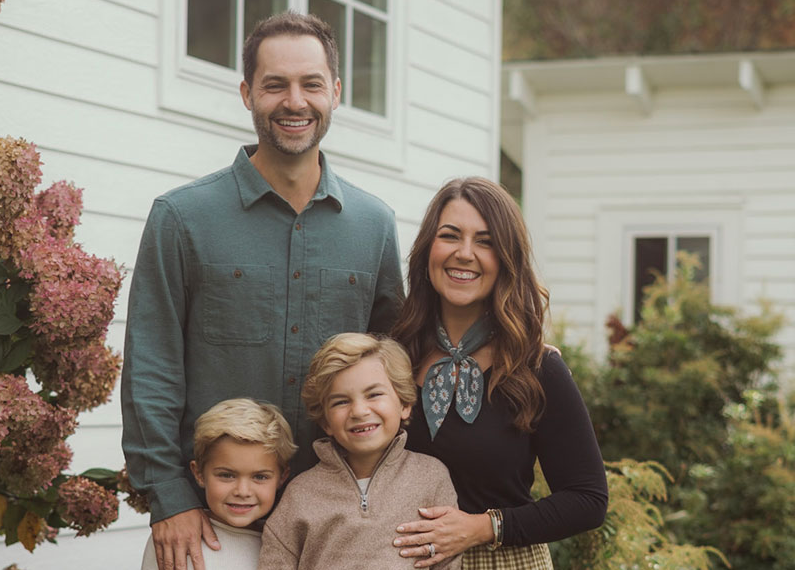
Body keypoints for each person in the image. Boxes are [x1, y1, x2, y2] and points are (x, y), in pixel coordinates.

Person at [121, 11, 404, 570]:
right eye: (275, 84)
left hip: (336, 528)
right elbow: (151, 367)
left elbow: (398, 365)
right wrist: (169, 496)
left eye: (311, 84)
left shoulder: (375, 226)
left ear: (336, 92)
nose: (294, 101)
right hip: (210, 529)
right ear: (247, 93)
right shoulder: (181, 218)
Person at [389, 177, 608, 569]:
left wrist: (483, 527)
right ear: (427, 250)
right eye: (450, 236)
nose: (464, 253)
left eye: (485, 241)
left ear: (507, 259)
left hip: (504, 561)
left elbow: (587, 500)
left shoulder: (536, 367)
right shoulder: (394, 359)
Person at [258, 333, 462, 569]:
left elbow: (449, 560)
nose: (359, 411)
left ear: (404, 404)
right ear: (325, 422)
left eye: (374, 394)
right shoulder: (300, 493)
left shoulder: (431, 477)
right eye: (341, 402)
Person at [141, 399, 296, 570]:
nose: (242, 491)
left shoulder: (288, 544)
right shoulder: (176, 538)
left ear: (282, 477)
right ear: (199, 473)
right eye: (227, 475)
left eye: (260, 477)